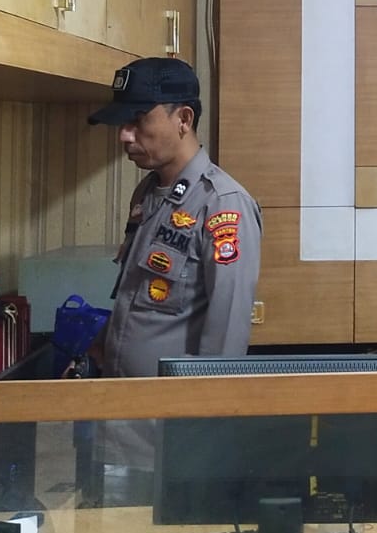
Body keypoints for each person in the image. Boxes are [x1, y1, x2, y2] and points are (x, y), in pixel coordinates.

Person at [84, 57, 262, 496]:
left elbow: (225, 337)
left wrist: (200, 439)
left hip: (171, 444)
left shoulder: (222, 204)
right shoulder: (148, 192)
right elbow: (141, 296)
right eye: (123, 123)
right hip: (119, 428)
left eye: (138, 121)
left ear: (183, 119)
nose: (125, 136)